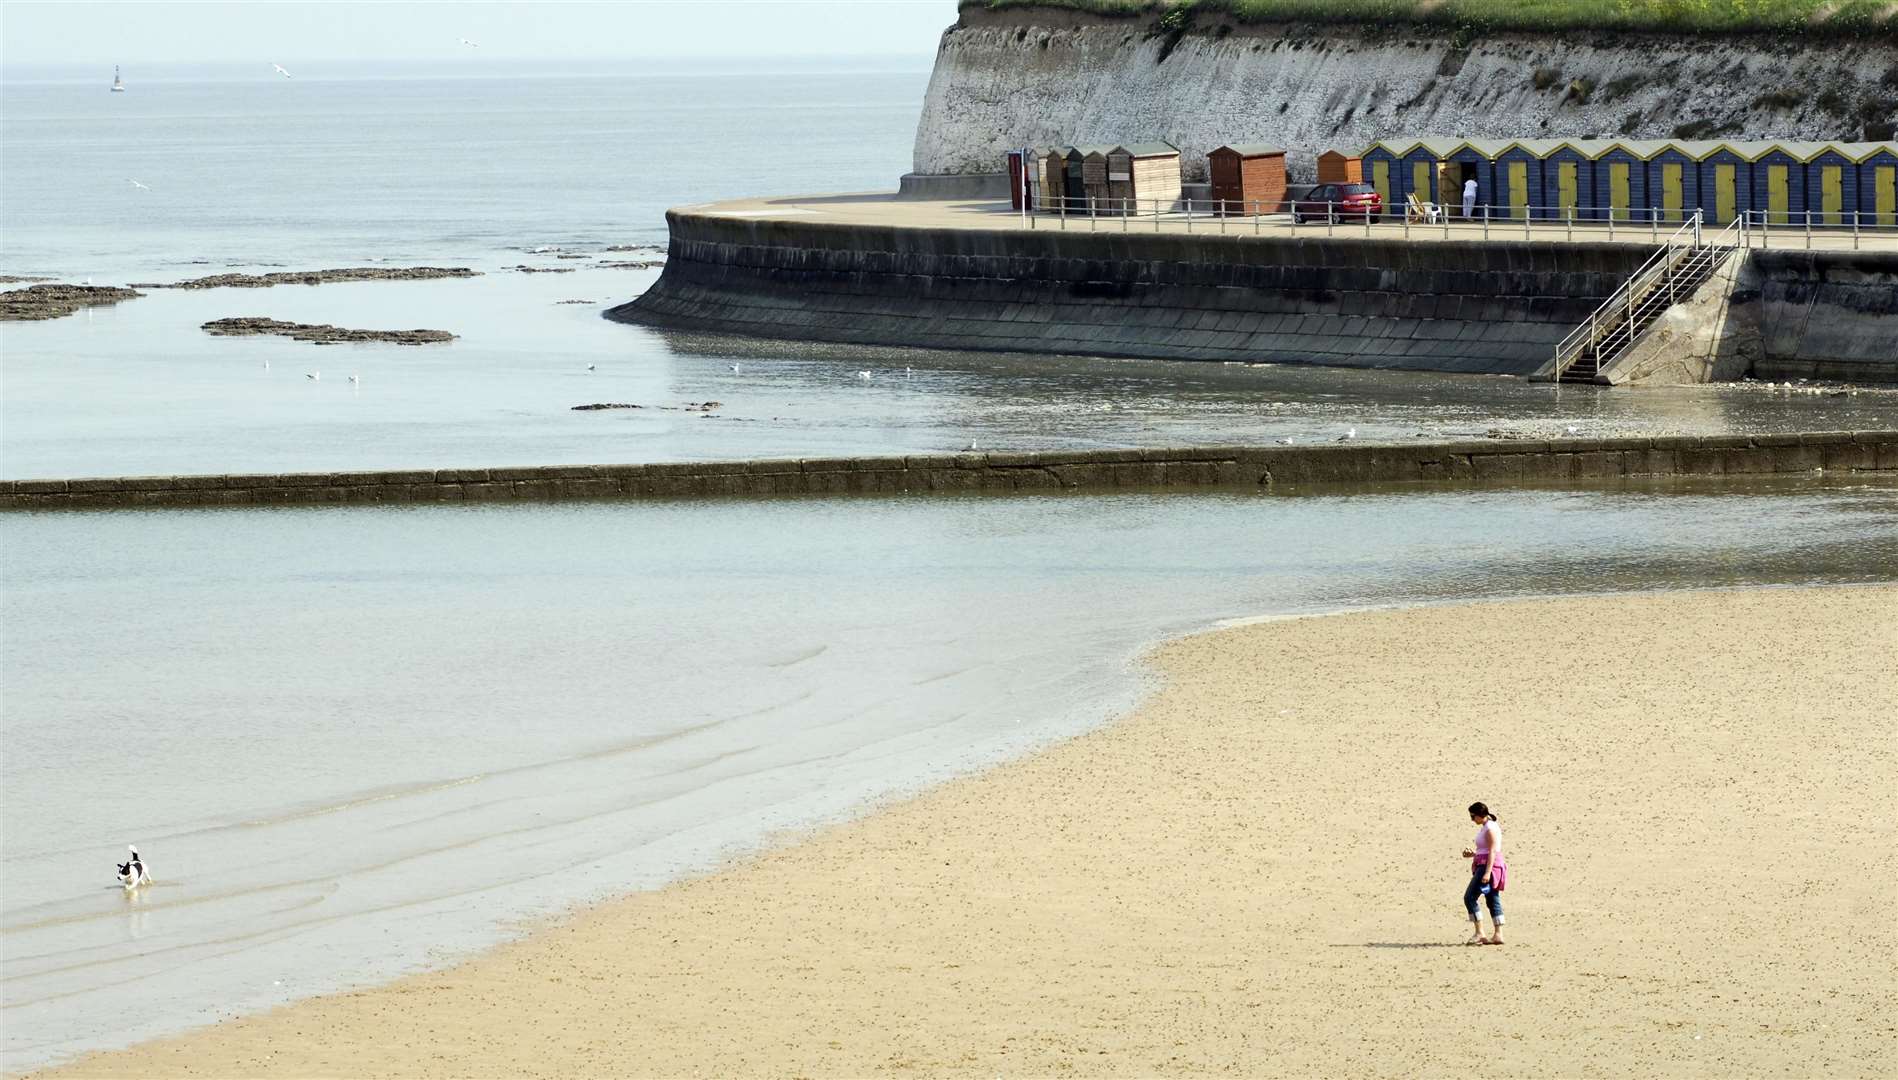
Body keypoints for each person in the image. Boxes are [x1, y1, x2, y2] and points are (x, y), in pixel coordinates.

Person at [1460, 802, 1504, 944]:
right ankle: (1498, 934)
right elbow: (1487, 850)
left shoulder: (1489, 828)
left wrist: (1487, 872)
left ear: (1480, 815)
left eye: (1473, 817)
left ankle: (1479, 933)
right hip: (1488, 863)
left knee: (1469, 897)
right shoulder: (1489, 826)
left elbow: (1492, 851)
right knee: (1492, 898)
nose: (1472, 820)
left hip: (1487, 866)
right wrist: (1474, 854)